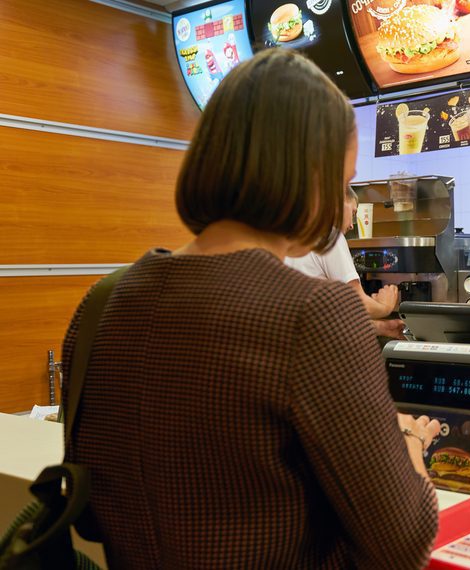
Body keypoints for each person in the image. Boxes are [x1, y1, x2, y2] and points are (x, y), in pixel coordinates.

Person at [61, 49, 440, 568]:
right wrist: (408, 440)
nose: (340, 209)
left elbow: (92, 503)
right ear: (304, 173)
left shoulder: (104, 302)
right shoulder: (314, 314)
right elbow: (402, 540)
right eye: (341, 181)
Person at [286, 188, 405, 337]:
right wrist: (385, 307)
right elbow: (353, 303)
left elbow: (327, 313)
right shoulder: (330, 235)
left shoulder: (292, 234)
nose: (351, 226)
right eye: (354, 213)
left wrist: (379, 327)